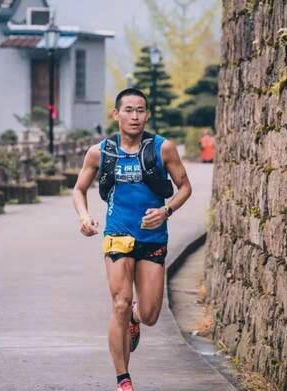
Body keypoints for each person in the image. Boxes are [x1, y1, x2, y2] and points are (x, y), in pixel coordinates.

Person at [72, 88, 192, 391]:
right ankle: (123, 379)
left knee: (150, 314)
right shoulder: (100, 152)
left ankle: (137, 318)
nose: (134, 116)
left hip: (153, 237)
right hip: (117, 235)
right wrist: (84, 217)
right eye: (128, 110)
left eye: (140, 110)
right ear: (116, 114)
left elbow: (185, 187)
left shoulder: (162, 149)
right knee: (120, 304)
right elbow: (79, 189)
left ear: (147, 115)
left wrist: (166, 211)